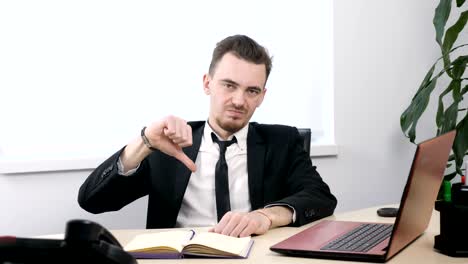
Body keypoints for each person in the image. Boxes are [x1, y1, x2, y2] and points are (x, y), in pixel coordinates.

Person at [78, 34, 337, 237]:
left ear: (262, 96)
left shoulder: (282, 142)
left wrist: (265, 217)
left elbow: (320, 197)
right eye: (229, 85)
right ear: (207, 83)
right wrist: (145, 142)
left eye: (252, 91)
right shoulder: (169, 143)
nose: (239, 100)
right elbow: (92, 201)